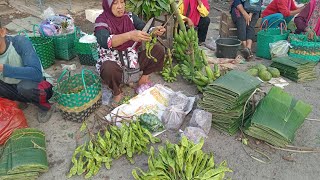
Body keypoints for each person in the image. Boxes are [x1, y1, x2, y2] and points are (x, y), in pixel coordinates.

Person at [94, 0, 166, 105]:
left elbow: (143, 27)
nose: (120, 7)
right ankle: (116, 91)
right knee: (108, 68)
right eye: (115, 3)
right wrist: (129, 35)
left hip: (131, 58)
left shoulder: (130, 16)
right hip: (113, 61)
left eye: (122, 2)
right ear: (108, 5)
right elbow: (104, 41)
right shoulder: (101, 21)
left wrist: (154, 30)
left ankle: (143, 78)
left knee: (158, 50)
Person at [0, 22, 53, 123]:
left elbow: (36, 73)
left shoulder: (19, 42)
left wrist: (3, 68)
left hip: (38, 84)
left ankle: (45, 106)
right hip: (12, 86)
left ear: (2, 32)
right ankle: (21, 101)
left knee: (25, 87)